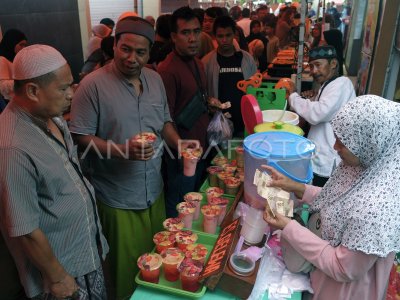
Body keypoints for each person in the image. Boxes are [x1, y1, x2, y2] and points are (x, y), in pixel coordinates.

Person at [70, 17, 190, 299]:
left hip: (154, 192)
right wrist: (122, 150)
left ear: (150, 52)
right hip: (118, 197)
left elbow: (163, 123)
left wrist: (180, 144)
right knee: (127, 276)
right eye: (126, 49)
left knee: (159, 262)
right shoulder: (92, 86)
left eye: (140, 52)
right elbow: (80, 136)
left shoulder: (155, 79)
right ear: (114, 45)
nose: (132, 58)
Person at [263, 94, 400, 300]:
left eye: (343, 142)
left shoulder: (376, 210)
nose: (335, 147)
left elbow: (342, 267)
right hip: (321, 277)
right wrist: (296, 187)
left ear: (370, 142)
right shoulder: (367, 164)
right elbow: (339, 199)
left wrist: (288, 226)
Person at [0, 44, 109, 299]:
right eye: (63, 88)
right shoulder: (12, 146)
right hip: (62, 272)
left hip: (83, 255)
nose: (72, 94)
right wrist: (58, 277)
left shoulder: (52, 117)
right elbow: (24, 227)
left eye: (71, 85)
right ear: (33, 90)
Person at [157, 6, 210, 217]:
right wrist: (180, 150)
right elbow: (163, 118)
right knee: (180, 207)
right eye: (185, 33)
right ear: (173, 37)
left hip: (201, 149)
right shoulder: (167, 70)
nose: (193, 38)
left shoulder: (198, 63)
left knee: (195, 203)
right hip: (181, 157)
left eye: (196, 31)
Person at [286, 45, 355, 187]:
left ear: (333, 63)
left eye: (318, 65)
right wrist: (310, 99)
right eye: (311, 66)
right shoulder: (327, 85)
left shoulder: (342, 83)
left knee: (317, 200)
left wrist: (293, 97)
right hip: (318, 157)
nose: (314, 71)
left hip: (328, 160)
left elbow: (318, 113)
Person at [202, 15, 257, 137]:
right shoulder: (207, 62)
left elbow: (255, 88)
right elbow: (203, 92)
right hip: (219, 124)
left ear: (234, 35)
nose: (224, 40)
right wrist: (209, 101)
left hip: (245, 121)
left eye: (228, 35)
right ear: (215, 37)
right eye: (220, 36)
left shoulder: (247, 59)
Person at [0, 29, 27, 102]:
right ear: (11, 43)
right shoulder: (2, 60)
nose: (23, 48)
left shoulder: (15, 59)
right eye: (21, 45)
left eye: (25, 45)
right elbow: (2, 87)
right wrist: (24, 83)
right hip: (10, 103)